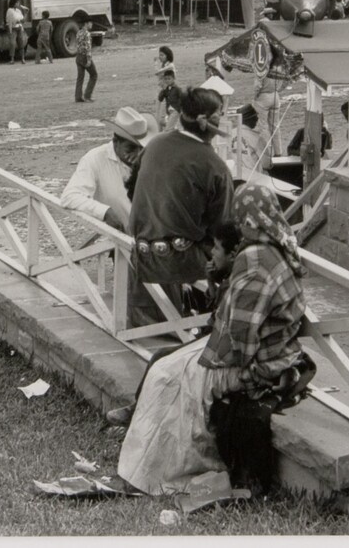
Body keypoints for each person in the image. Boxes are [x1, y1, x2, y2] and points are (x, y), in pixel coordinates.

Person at [112, 181, 314, 498]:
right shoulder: (277, 248)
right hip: (276, 352)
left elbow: (242, 334)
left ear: (249, 221)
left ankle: (165, 469)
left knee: (171, 376)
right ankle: (147, 458)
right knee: (167, 365)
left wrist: (234, 371)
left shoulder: (257, 260)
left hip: (260, 363)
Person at [126, 86, 234, 327]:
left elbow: (132, 191)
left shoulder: (154, 144)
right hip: (180, 261)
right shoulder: (215, 166)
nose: (223, 119)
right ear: (206, 121)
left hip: (141, 254)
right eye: (221, 113)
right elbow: (222, 227)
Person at [61, 107, 153, 233]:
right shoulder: (95, 159)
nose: (137, 154)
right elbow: (70, 196)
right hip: (122, 243)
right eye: (130, 148)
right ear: (116, 142)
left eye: (141, 148)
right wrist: (105, 212)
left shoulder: (152, 157)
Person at [73, 9, 97, 103]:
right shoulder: (87, 33)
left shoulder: (79, 32)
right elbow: (88, 47)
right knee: (94, 75)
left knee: (80, 78)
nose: (91, 24)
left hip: (78, 56)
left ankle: (78, 97)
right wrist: (89, 59)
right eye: (90, 23)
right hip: (84, 56)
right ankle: (87, 95)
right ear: (86, 23)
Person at [5, 0, 28, 65]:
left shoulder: (18, 11)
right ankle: (12, 59)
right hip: (12, 28)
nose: (18, 4)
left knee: (21, 43)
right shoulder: (10, 11)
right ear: (13, 3)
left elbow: (23, 20)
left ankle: (22, 58)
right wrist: (20, 20)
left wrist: (26, 13)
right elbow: (14, 20)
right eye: (17, 3)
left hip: (19, 27)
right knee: (12, 43)